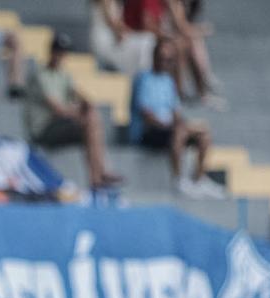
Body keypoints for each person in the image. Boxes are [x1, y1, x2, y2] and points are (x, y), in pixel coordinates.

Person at [23, 32, 123, 191]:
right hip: (43, 129)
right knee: (90, 122)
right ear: (52, 51)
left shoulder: (63, 75)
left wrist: (87, 104)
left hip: (59, 125)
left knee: (92, 119)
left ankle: (98, 176)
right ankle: (99, 175)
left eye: (64, 52)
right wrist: (81, 112)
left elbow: (78, 94)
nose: (62, 56)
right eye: (59, 51)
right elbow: (58, 109)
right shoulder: (40, 75)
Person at [130, 37, 222, 199]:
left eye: (170, 60)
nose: (166, 62)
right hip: (149, 131)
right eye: (163, 58)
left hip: (169, 130)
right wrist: (170, 125)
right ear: (154, 56)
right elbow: (146, 114)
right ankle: (179, 179)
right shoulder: (143, 79)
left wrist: (179, 124)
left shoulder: (168, 81)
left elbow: (176, 112)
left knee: (203, 133)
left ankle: (198, 179)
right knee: (180, 130)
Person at [90, 0, 156, 77]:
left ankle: (143, 75)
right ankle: (144, 76)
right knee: (147, 41)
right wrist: (129, 33)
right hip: (106, 42)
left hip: (112, 40)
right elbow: (112, 23)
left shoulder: (117, 2)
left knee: (147, 40)